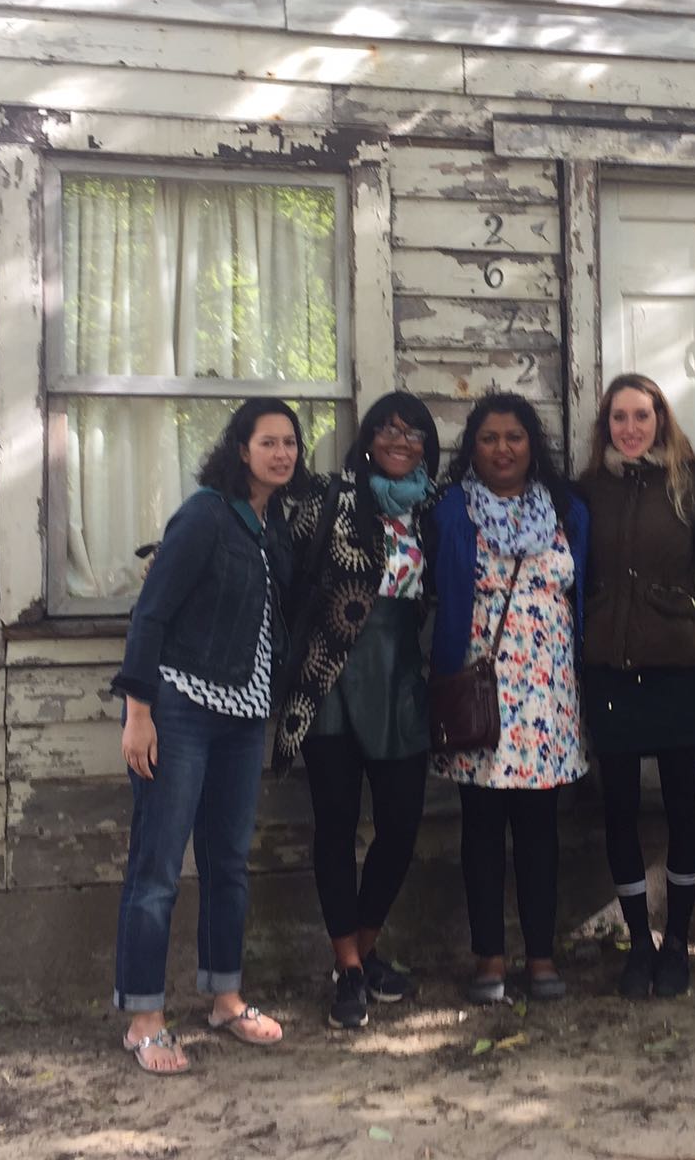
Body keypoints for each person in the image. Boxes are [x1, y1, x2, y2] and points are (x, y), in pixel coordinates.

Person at [111, 398, 302, 1074]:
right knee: (158, 867)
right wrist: (139, 711)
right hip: (181, 708)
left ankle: (224, 998)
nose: (281, 453)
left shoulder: (269, 527)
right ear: (240, 449)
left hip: (244, 719)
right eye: (267, 442)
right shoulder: (204, 515)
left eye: (290, 443)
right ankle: (145, 1019)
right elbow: (152, 612)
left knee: (227, 863)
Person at [274, 392, 439, 1030]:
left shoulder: (430, 509)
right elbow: (280, 572)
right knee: (336, 828)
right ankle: (347, 967)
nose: (400, 440)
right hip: (329, 682)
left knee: (400, 826)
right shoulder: (327, 498)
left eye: (414, 432)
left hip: (400, 684)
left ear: (427, 445)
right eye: (388, 429)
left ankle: (364, 949)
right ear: (367, 438)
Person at [428, 393, 590, 1003]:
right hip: (480, 692)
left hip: (549, 694)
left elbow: (584, 587)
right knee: (481, 831)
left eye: (514, 437)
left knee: (540, 830)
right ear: (473, 446)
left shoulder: (567, 510)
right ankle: (489, 959)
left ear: (532, 444)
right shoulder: (451, 511)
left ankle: (542, 957)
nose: (502, 448)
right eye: (490, 438)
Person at [580, 374, 695, 1000]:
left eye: (642, 415)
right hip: (608, 669)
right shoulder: (586, 491)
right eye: (619, 418)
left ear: (661, 418)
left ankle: (678, 940)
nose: (631, 429)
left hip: (677, 666)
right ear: (606, 424)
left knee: (684, 805)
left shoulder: (692, 482)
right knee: (620, 809)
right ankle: (638, 941)